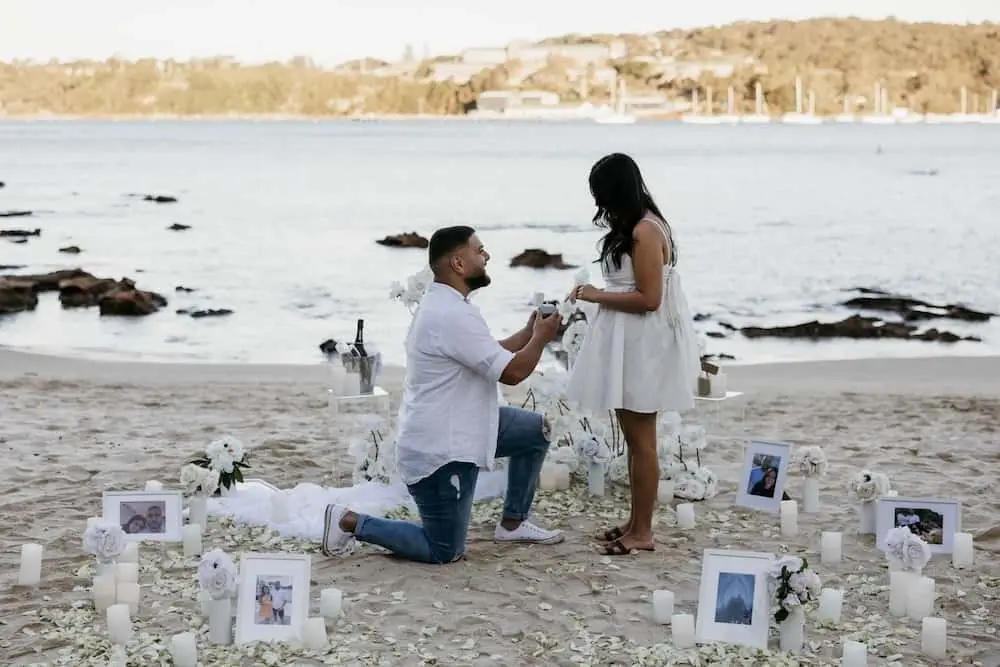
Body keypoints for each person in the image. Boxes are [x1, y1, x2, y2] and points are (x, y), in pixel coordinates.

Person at [321, 225, 565, 563]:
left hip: (470, 423)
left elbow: (488, 354)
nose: (487, 256)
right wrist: (541, 338)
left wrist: (527, 333)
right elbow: (512, 373)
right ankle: (349, 521)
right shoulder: (450, 314)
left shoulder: (449, 305)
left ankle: (513, 523)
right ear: (459, 264)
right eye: (480, 251)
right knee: (444, 550)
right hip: (442, 448)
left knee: (535, 431)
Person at [565, 153, 700, 556]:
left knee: (643, 442)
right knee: (633, 437)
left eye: (601, 193)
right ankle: (635, 520)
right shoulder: (635, 226)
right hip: (628, 343)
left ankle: (643, 531)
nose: (598, 203)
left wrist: (594, 294)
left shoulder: (645, 230)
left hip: (643, 347)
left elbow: (650, 299)